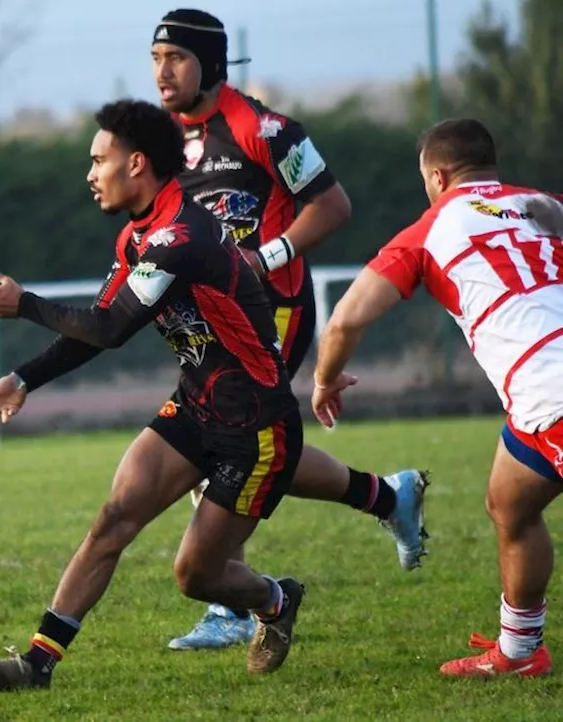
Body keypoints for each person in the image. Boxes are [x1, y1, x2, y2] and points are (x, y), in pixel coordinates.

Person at [0, 99, 425, 690]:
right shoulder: (138, 237)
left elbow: (110, 329)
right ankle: (36, 665)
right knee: (112, 520)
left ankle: (276, 600)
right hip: (196, 405)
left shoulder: (179, 235)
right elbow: (100, 323)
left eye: (99, 160)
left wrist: (26, 305)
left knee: (195, 577)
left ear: (137, 163)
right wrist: (24, 378)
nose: (90, 174)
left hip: (254, 427)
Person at [150, 8, 427, 650]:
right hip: (213, 317)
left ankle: (228, 603)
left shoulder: (264, 128)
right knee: (246, 445)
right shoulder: (162, 138)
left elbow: (333, 205)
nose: (163, 72)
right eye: (155, 59)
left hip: (273, 310)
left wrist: (266, 254)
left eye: (176, 58)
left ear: (211, 64)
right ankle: (387, 496)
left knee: (227, 439)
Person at [313, 118, 562, 678]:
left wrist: (326, 379)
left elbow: (345, 321)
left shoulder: (429, 229)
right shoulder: (539, 204)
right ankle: (520, 652)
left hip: (552, 389)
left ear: (438, 175)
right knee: (509, 502)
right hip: (537, 403)